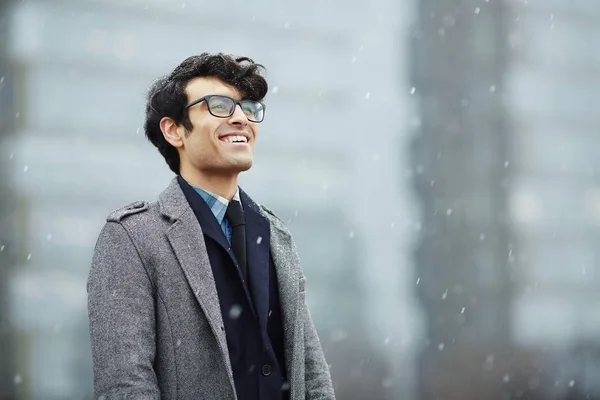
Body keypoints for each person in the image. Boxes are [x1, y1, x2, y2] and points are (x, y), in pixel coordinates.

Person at [86, 53, 336, 400]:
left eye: (247, 107)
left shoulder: (277, 236)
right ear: (174, 130)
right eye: (218, 105)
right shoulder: (132, 238)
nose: (240, 118)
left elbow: (313, 379)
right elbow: (125, 386)